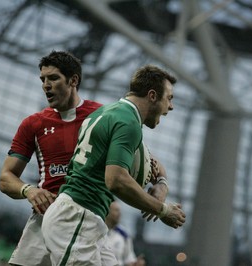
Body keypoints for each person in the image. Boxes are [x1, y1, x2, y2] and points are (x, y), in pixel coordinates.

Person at [42, 64, 186, 265]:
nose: (171, 106)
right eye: (169, 98)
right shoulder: (128, 124)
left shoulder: (112, 113)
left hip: (85, 219)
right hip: (77, 217)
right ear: (152, 95)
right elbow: (116, 180)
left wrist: (161, 184)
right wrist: (162, 210)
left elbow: (152, 161)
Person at [0, 50, 102, 266]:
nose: (46, 85)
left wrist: (160, 183)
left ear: (73, 80)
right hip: (45, 217)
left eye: (53, 78)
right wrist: (30, 190)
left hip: (86, 219)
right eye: (43, 79)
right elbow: (6, 178)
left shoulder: (101, 117)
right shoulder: (33, 124)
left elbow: (147, 161)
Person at [105, 201, 146, 266]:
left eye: (119, 211)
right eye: (116, 210)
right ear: (107, 212)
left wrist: (135, 263)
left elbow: (129, 258)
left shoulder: (124, 234)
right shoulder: (98, 230)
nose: (119, 214)